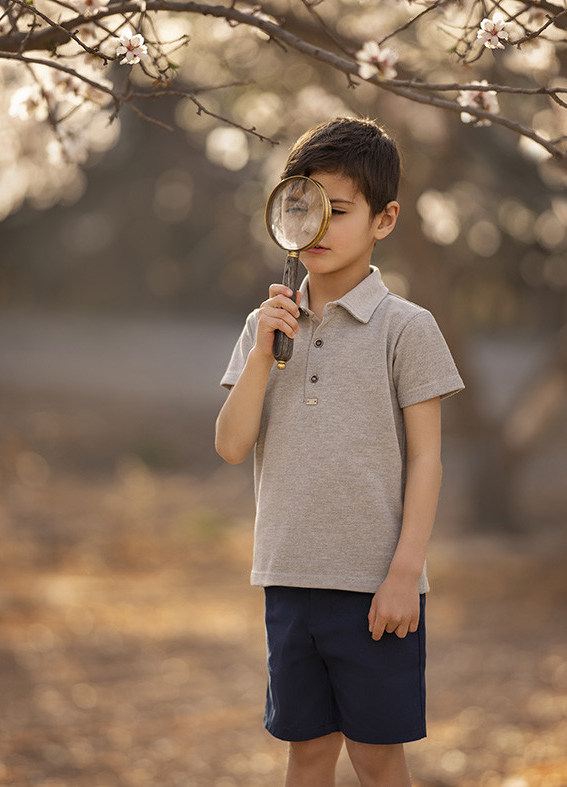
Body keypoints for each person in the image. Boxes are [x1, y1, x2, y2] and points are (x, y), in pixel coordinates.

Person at [215, 116, 464, 787]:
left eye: (340, 210)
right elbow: (231, 445)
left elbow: (427, 460)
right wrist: (263, 354)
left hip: (375, 587)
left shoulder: (407, 329)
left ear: (385, 220)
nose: (318, 225)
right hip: (288, 578)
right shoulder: (264, 326)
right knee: (307, 753)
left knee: (377, 757)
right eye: (303, 207)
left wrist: (405, 572)